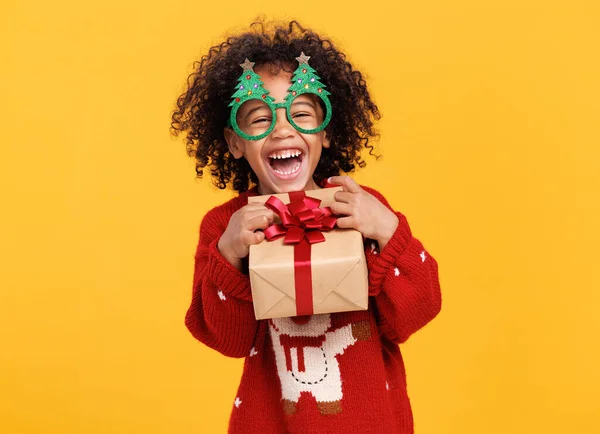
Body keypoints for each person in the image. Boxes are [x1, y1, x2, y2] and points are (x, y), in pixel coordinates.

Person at [170, 19, 442, 434]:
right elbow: (227, 340)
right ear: (234, 142)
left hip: (373, 422)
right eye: (260, 119)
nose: (282, 129)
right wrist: (227, 255)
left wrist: (388, 230)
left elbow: (413, 315)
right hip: (273, 422)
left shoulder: (360, 208)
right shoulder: (225, 228)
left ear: (326, 132)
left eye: (300, 113)